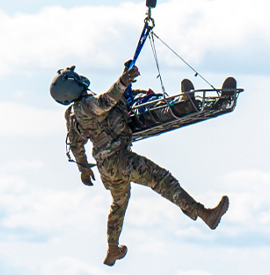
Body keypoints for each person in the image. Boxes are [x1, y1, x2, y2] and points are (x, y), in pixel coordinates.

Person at [54, 63, 229, 266]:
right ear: (71, 86)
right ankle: (204, 214)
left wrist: (84, 170)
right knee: (163, 181)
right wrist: (122, 81)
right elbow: (106, 101)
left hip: (107, 168)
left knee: (118, 205)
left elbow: (76, 145)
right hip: (120, 160)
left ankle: (112, 250)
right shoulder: (86, 106)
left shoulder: (73, 116)